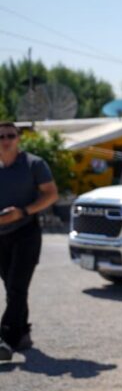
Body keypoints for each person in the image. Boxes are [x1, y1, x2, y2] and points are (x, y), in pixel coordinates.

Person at [0, 121, 59, 361]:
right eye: (1, 136)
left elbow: (51, 194)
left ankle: (4, 338)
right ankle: (21, 334)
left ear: (19, 138)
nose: (6, 140)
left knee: (17, 287)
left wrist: (23, 212)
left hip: (26, 232)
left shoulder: (34, 164)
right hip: (0, 236)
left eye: (10, 135)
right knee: (12, 287)